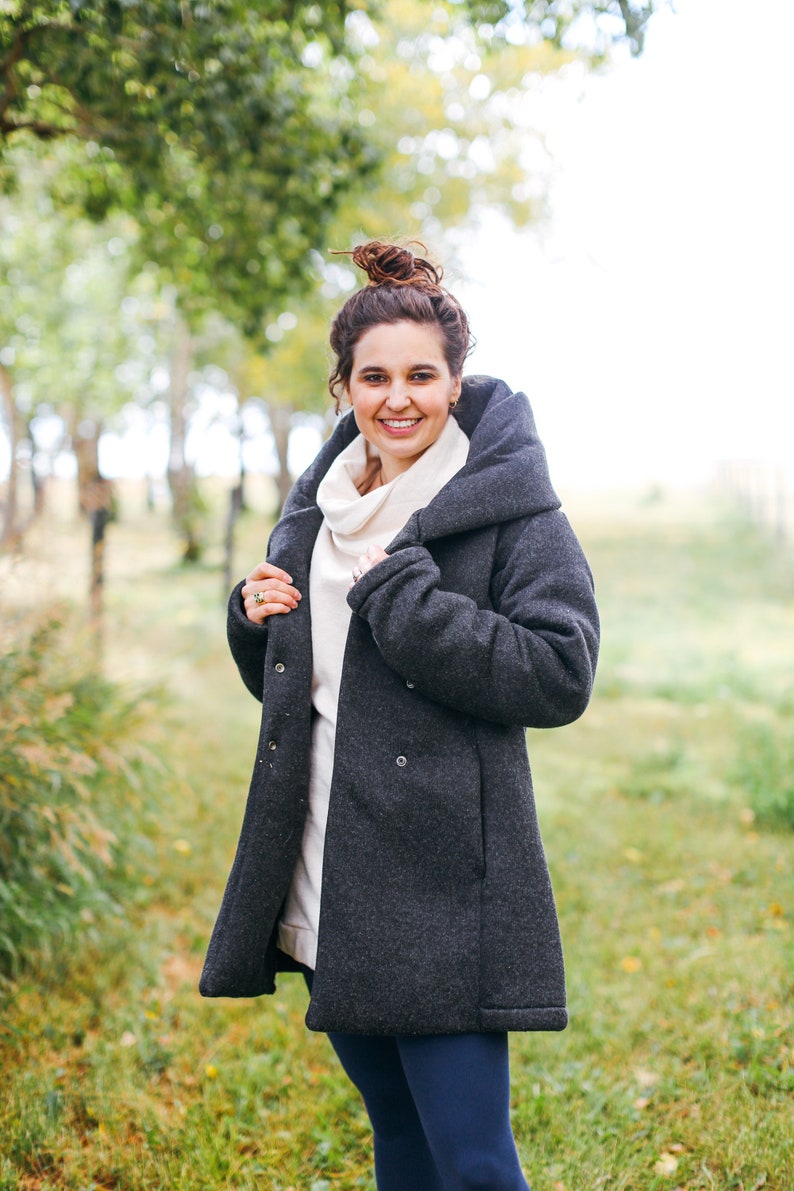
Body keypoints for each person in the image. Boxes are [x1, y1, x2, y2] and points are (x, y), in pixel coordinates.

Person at [200, 240, 600, 1190]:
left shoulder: (510, 512)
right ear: (344, 388)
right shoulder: (321, 507)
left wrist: (413, 606)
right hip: (326, 868)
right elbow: (312, 685)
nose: (399, 398)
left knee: (474, 1164)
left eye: (422, 375)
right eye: (374, 377)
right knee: (400, 1137)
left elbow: (560, 672)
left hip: (442, 884)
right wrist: (255, 622)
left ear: (457, 382)